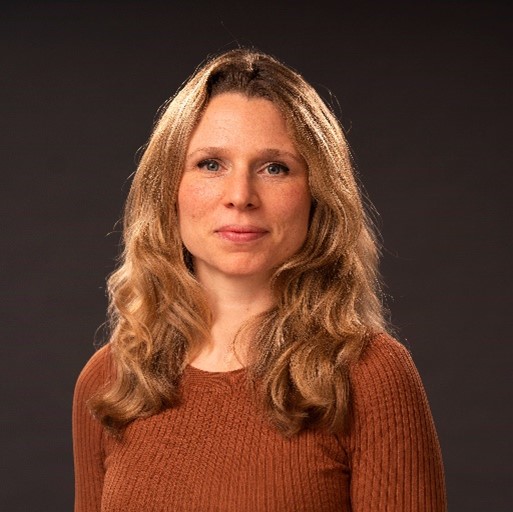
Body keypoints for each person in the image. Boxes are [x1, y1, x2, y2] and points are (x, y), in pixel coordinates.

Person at [72, 48, 447, 511]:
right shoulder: (110, 380)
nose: (240, 196)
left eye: (275, 167)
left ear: (317, 194)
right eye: (211, 163)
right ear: (168, 188)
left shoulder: (370, 375)